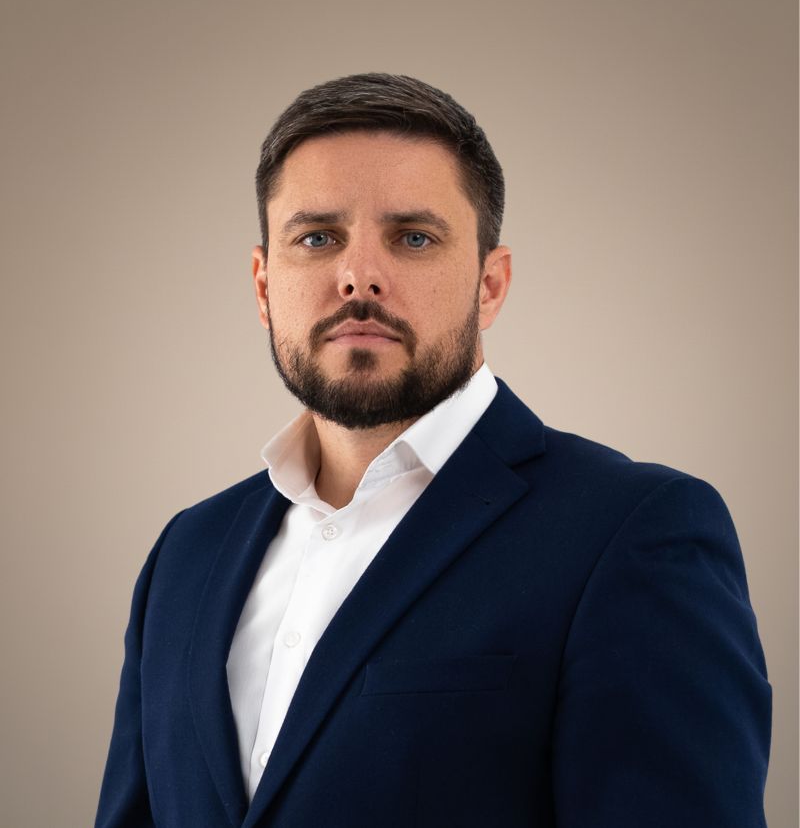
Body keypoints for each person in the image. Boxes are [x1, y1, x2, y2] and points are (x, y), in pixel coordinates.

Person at [95, 73, 771, 828]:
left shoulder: (636, 533)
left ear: (490, 284)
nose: (359, 275)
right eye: (317, 238)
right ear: (262, 285)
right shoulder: (185, 555)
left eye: (413, 237)